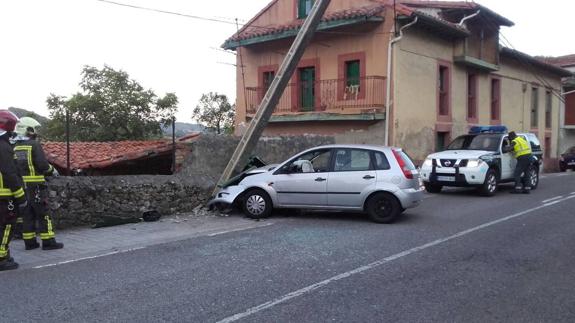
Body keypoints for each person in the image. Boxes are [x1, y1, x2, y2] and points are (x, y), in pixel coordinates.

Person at [13, 117, 63, 250]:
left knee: (27, 214)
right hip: (36, 186)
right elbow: (42, 165)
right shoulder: (34, 145)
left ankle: (30, 243)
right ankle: (48, 242)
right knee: (43, 213)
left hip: (21, 187)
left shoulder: (14, 146)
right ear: (29, 129)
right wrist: (53, 170)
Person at [0, 110, 27, 271]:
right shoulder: (3, 147)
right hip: (5, 195)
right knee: (8, 225)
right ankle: (2, 258)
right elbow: (10, 173)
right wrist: (21, 196)